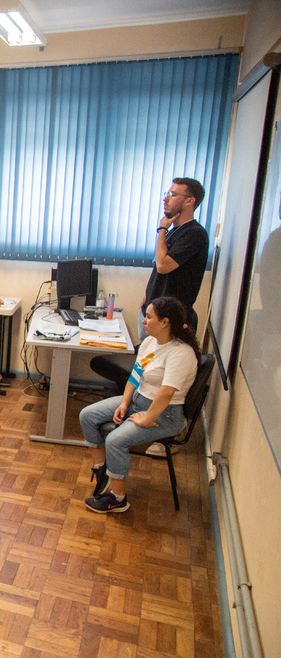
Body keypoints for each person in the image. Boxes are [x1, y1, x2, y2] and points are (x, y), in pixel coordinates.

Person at [80, 296, 198, 513]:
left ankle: (117, 499)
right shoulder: (150, 342)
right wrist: (124, 403)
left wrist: (147, 418)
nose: (144, 321)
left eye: (149, 317)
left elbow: (167, 392)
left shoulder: (181, 353)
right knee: (87, 415)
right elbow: (134, 377)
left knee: (115, 441)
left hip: (164, 414)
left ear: (165, 322)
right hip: (138, 402)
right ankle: (102, 471)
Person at [91, 177, 209, 391]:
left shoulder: (194, 234)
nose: (166, 199)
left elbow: (163, 265)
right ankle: (127, 405)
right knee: (143, 368)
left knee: (150, 376)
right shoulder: (176, 231)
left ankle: (134, 412)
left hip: (169, 321)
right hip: (153, 312)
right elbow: (158, 268)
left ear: (190, 201)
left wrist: (162, 229)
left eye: (173, 195)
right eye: (167, 193)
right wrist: (147, 295)